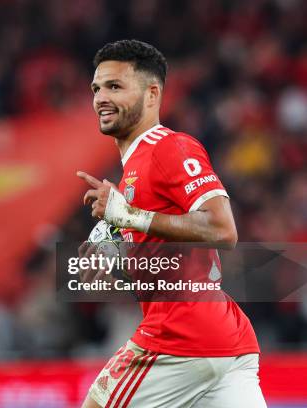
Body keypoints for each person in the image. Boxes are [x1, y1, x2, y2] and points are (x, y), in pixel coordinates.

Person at [76, 40, 266, 408]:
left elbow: (223, 230)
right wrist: (117, 250)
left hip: (181, 336)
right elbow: (170, 256)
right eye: (96, 88)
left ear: (152, 94)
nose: (100, 97)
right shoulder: (134, 168)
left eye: (115, 87)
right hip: (226, 341)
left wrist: (126, 217)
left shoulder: (169, 148)